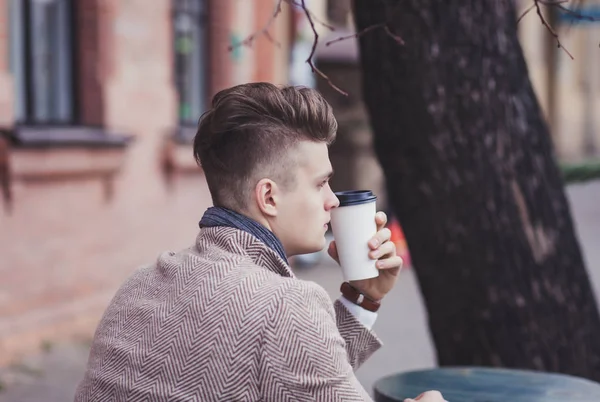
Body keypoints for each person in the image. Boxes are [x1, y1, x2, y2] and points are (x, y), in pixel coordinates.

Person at [74, 83, 445, 402]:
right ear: (269, 197)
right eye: (320, 184)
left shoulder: (140, 283)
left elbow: (294, 379)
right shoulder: (289, 305)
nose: (333, 200)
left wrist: (362, 299)